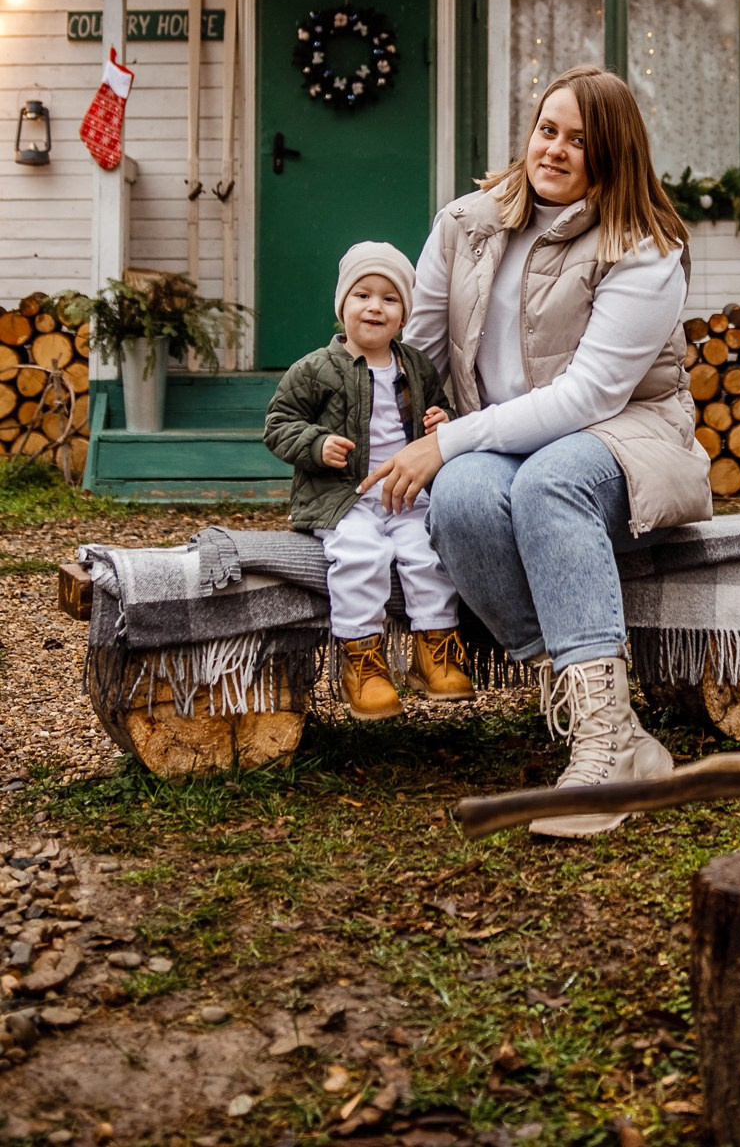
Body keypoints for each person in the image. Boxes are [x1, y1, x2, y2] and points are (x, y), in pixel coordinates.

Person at [358, 67, 713, 836]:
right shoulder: (467, 223)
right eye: (547, 130)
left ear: (612, 154)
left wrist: (449, 440)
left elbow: (590, 398)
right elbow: (412, 348)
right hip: (498, 435)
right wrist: (349, 412)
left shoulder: (644, 249)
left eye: (579, 141)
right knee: (457, 496)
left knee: (548, 481)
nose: (554, 150)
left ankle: (600, 748)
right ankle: (605, 721)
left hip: (624, 437)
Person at [263, 241, 474, 720]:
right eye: (362, 295)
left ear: (404, 314)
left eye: (389, 298)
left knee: (429, 550)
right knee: (361, 555)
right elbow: (278, 424)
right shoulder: (316, 368)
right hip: (343, 496)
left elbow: (443, 412)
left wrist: (443, 420)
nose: (375, 306)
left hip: (405, 491)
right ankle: (362, 661)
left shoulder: (417, 366)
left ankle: (433, 652)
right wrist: (316, 445)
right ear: (343, 307)